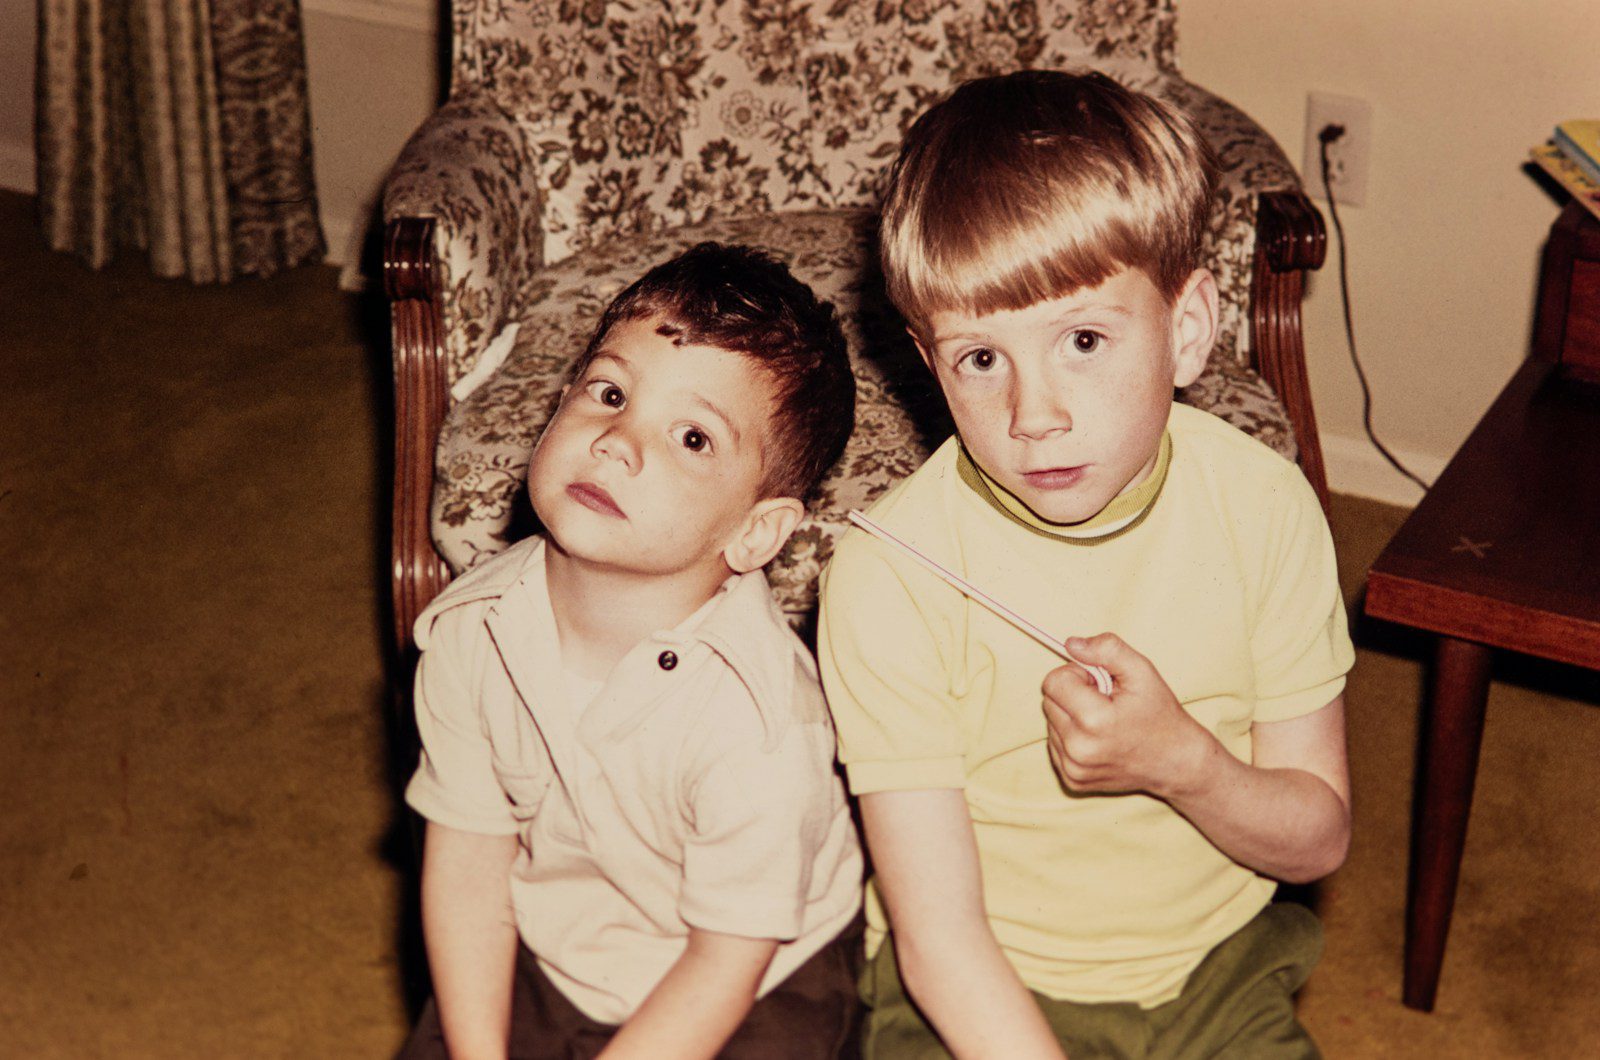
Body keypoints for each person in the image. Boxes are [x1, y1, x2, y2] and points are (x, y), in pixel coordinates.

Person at [818, 71, 1355, 1058]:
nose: (1035, 413)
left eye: (1082, 339)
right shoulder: (885, 576)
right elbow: (940, 942)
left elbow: (1317, 836)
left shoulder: (1266, 507)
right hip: (977, 990)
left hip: (1216, 968)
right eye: (982, 358)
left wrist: (1181, 763)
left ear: (1186, 329)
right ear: (930, 365)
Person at [400, 242, 864, 1060]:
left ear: (757, 531)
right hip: (561, 940)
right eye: (610, 393)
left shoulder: (762, 725)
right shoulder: (470, 632)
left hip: (755, 976)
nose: (617, 440)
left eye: (692, 438)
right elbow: (470, 861)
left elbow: (727, 957)